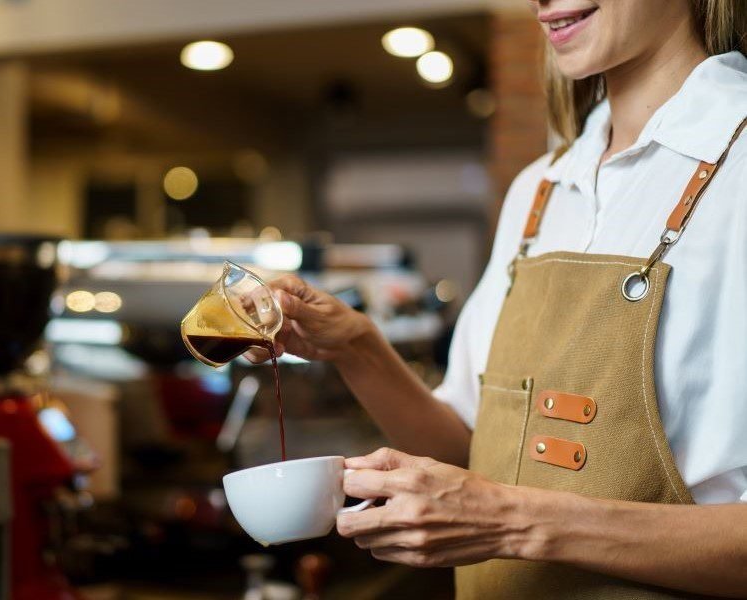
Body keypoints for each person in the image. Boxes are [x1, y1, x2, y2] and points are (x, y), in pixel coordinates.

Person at [247, 0, 747, 597]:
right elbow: (473, 451)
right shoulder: (539, 191)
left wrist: (513, 521)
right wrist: (357, 346)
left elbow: (498, 503)